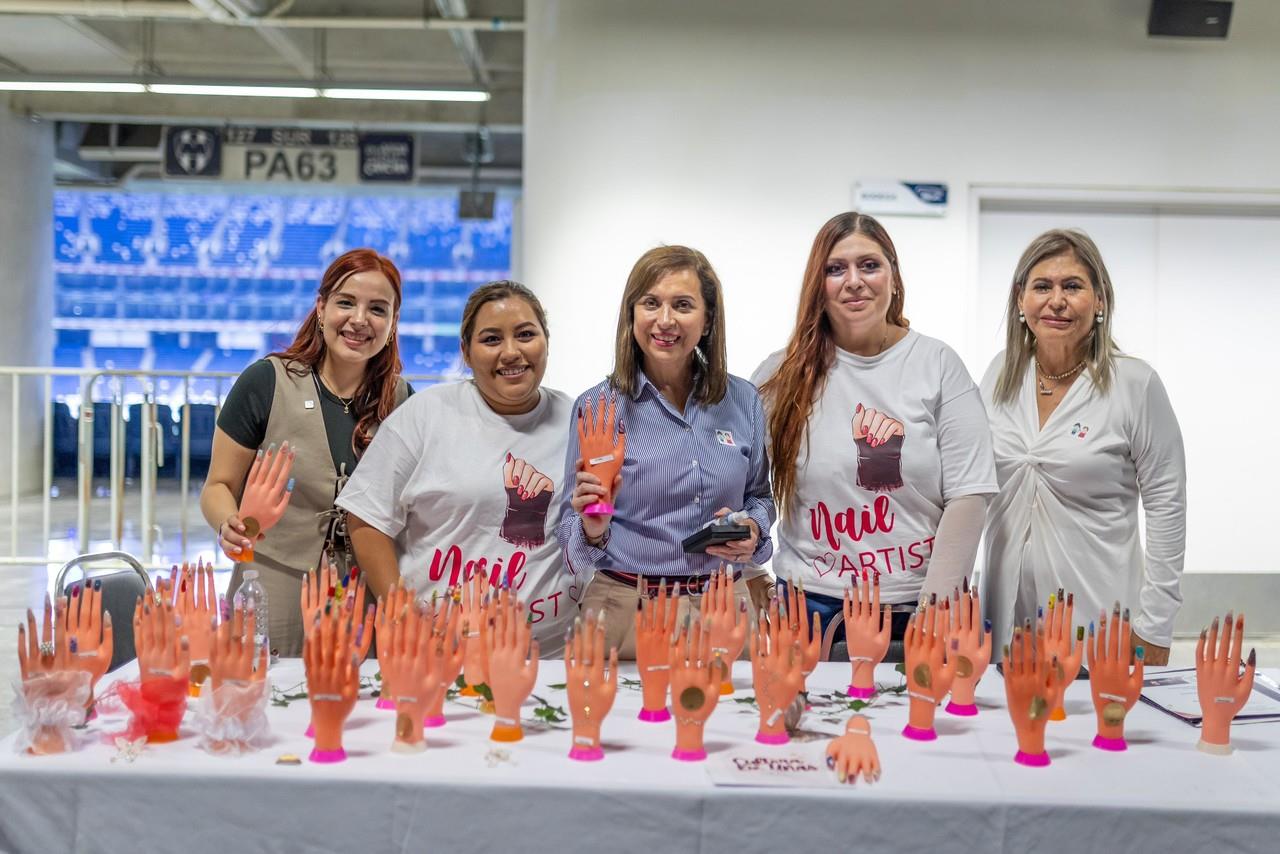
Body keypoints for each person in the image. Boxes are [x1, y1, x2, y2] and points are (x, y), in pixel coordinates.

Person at [753, 212, 997, 648]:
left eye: (869, 265)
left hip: (916, 608)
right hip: (810, 609)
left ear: (894, 278)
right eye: (835, 268)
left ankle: (880, 466)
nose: (853, 280)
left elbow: (970, 494)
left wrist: (936, 610)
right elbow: (746, 486)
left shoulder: (938, 365)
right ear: (817, 284)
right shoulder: (780, 374)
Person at [557, 245, 775, 657]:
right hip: (623, 611)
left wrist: (753, 530)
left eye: (683, 305)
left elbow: (761, 498)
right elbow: (569, 538)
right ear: (632, 314)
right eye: (651, 303)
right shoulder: (598, 408)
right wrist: (591, 528)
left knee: (734, 722)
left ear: (708, 319)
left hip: (724, 608)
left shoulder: (744, 400)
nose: (665, 320)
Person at [337, 282, 577, 655]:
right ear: (466, 352)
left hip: (549, 657)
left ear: (546, 341)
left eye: (526, 335)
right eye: (491, 339)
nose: (511, 352)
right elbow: (366, 520)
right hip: (439, 655)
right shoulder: (425, 416)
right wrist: (404, 617)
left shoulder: (578, 421)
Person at [981, 229, 1186, 664]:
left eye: (1072, 286)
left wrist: (1156, 627)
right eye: (1042, 286)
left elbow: (1167, 506)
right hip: (1003, 624)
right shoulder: (1000, 376)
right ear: (1020, 299)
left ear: (1100, 301)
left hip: (1099, 626)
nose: (1056, 300)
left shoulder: (1135, 384)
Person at [200, 248, 410, 657]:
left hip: (364, 588)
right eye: (345, 303)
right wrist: (229, 522)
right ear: (321, 307)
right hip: (274, 579)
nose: (359, 320)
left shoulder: (402, 402)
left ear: (393, 322)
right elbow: (218, 485)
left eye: (377, 309)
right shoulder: (266, 381)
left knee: (357, 710)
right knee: (269, 699)